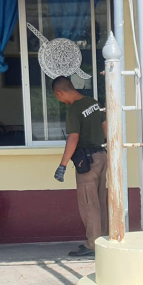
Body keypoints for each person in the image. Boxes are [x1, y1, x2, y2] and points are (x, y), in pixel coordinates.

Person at [52, 76, 107, 258]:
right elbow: (106, 128)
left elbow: (73, 138)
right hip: (102, 156)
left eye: (58, 97)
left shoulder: (74, 108)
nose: (61, 101)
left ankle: (93, 246)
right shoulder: (94, 103)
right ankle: (102, 240)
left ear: (59, 93)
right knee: (100, 200)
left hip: (87, 162)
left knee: (89, 204)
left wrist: (63, 165)